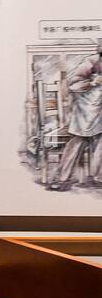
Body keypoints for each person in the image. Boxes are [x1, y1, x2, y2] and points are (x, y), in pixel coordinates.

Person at [49, 39, 102, 190]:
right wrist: (93, 82)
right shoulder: (90, 63)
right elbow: (73, 85)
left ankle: (98, 178)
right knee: (75, 145)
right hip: (84, 114)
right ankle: (62, 179)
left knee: (101, 146)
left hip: (101, 114)